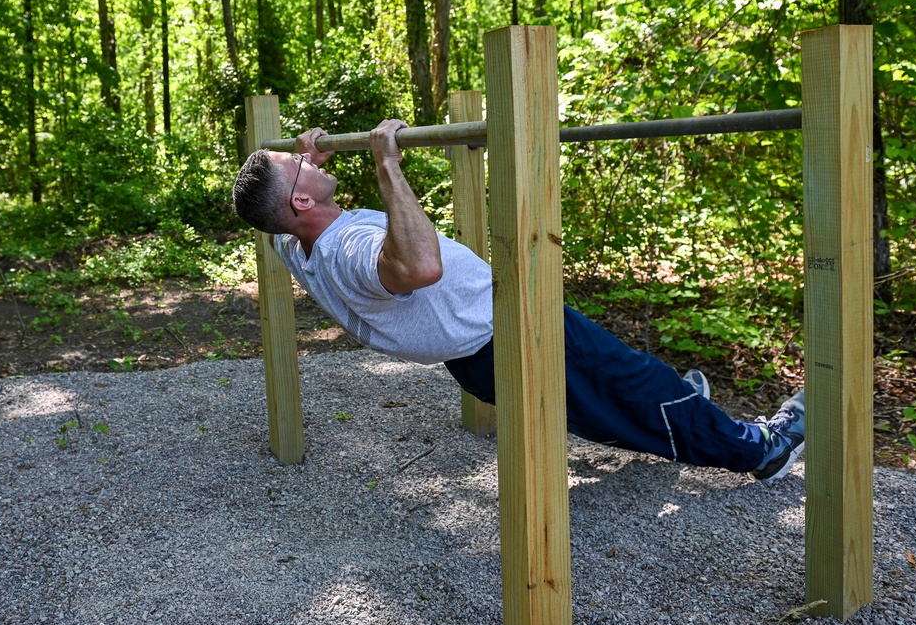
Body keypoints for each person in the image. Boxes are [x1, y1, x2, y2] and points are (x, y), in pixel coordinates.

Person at [232, 120, 805, 483]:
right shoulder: (349, 247)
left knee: (603, 409)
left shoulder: (293, 241)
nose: (309, 157)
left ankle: (679, 407)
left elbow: (284, 207)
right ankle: (761, 450)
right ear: (303, 200)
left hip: (477, 359)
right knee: (637, 382)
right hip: (513, 335)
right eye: (301, 165)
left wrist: (308, 160)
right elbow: (420, 266)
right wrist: (387, 163)